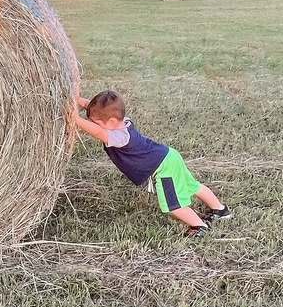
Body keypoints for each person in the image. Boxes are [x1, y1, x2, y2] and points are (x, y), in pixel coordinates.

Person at [73, 90, 232, 237]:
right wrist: (76, 99)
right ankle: (220, 209)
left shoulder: (119, 137)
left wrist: (75, 118)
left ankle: (199, 226)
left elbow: (99, 132)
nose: (93, 123)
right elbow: (95, 111)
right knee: (192, 185)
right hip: (169, 156)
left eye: (96, 122)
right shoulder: (123, 122)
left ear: (111, 122)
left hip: (164, 168)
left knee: (172, 205)